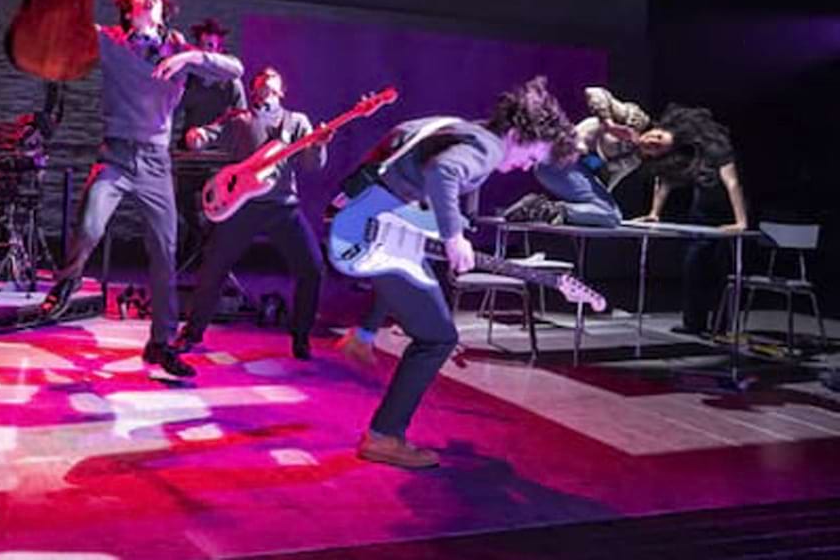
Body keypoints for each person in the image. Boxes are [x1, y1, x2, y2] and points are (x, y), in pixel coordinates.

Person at [328, 77, 575, 470]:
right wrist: (454, 235)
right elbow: (444, 173)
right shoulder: (488, 147)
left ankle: (365, 337)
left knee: (430, 309)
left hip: (362, 223)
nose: (523, 167)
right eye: (530, 157)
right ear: (516, 134)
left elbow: (403, 147)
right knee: (437, 339)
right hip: (369, 235)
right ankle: (384, 437)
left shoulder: (458, 128)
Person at [38, 0, 244, 378]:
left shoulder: (179, 49)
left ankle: (161, 343)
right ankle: (67, 283)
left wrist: (191, 54)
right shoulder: (112, 41)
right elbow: (65, 21)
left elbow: (235, 69)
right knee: (89, 224)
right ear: (129, 13)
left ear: (164, 12)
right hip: (115, 154)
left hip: (154, 163)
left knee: (165, 253)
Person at [174, 67, 330, 360]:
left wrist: (319, 146)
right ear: (253, 88)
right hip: (242, 207)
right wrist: (197, 136)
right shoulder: (239, 117)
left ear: (281, 92)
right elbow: (209, 134)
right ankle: (192, 332)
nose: (266, 88)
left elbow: (311, 165)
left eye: (272, 86)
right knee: (213, 268)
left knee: (312, 267)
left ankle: (300, 336)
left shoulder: (296, 121)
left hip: (283, 207)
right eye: (261, 85)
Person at [633, 104, 749, 336]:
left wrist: (741, 222)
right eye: (651, 147)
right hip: (702, 209)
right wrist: (655, 212)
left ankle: (721, 327)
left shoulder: (711, 142)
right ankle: (694, 323)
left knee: (721, 270)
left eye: (653, 137)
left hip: (726, 207)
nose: (654, 141)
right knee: (694, 266)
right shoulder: (678, 155)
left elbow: (733, 183)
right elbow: (663, 182)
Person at [507, 86, 651, 227]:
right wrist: (609, 125)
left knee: (611, 215)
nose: (652, 142)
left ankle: (541, 207)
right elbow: (593, 91)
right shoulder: (630, 117)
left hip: (570, 171)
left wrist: (593, 212)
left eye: (656, 149)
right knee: (611, 214)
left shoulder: (632, 160)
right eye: (658, 137)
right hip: (558, 160)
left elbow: (607, 182)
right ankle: (541, 208)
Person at [174, 17, 246, 262]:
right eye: (203, 46)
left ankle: (211, 251)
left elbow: (240, 117)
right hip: (190, 149)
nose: (208, 51)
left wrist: (211, 132)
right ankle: (197, 239)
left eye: (212, 46)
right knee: (182, 200)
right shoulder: (190, 78)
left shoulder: (231, 82)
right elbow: (172, 107)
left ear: (220, 50)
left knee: (218, 203)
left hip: (219, 151)